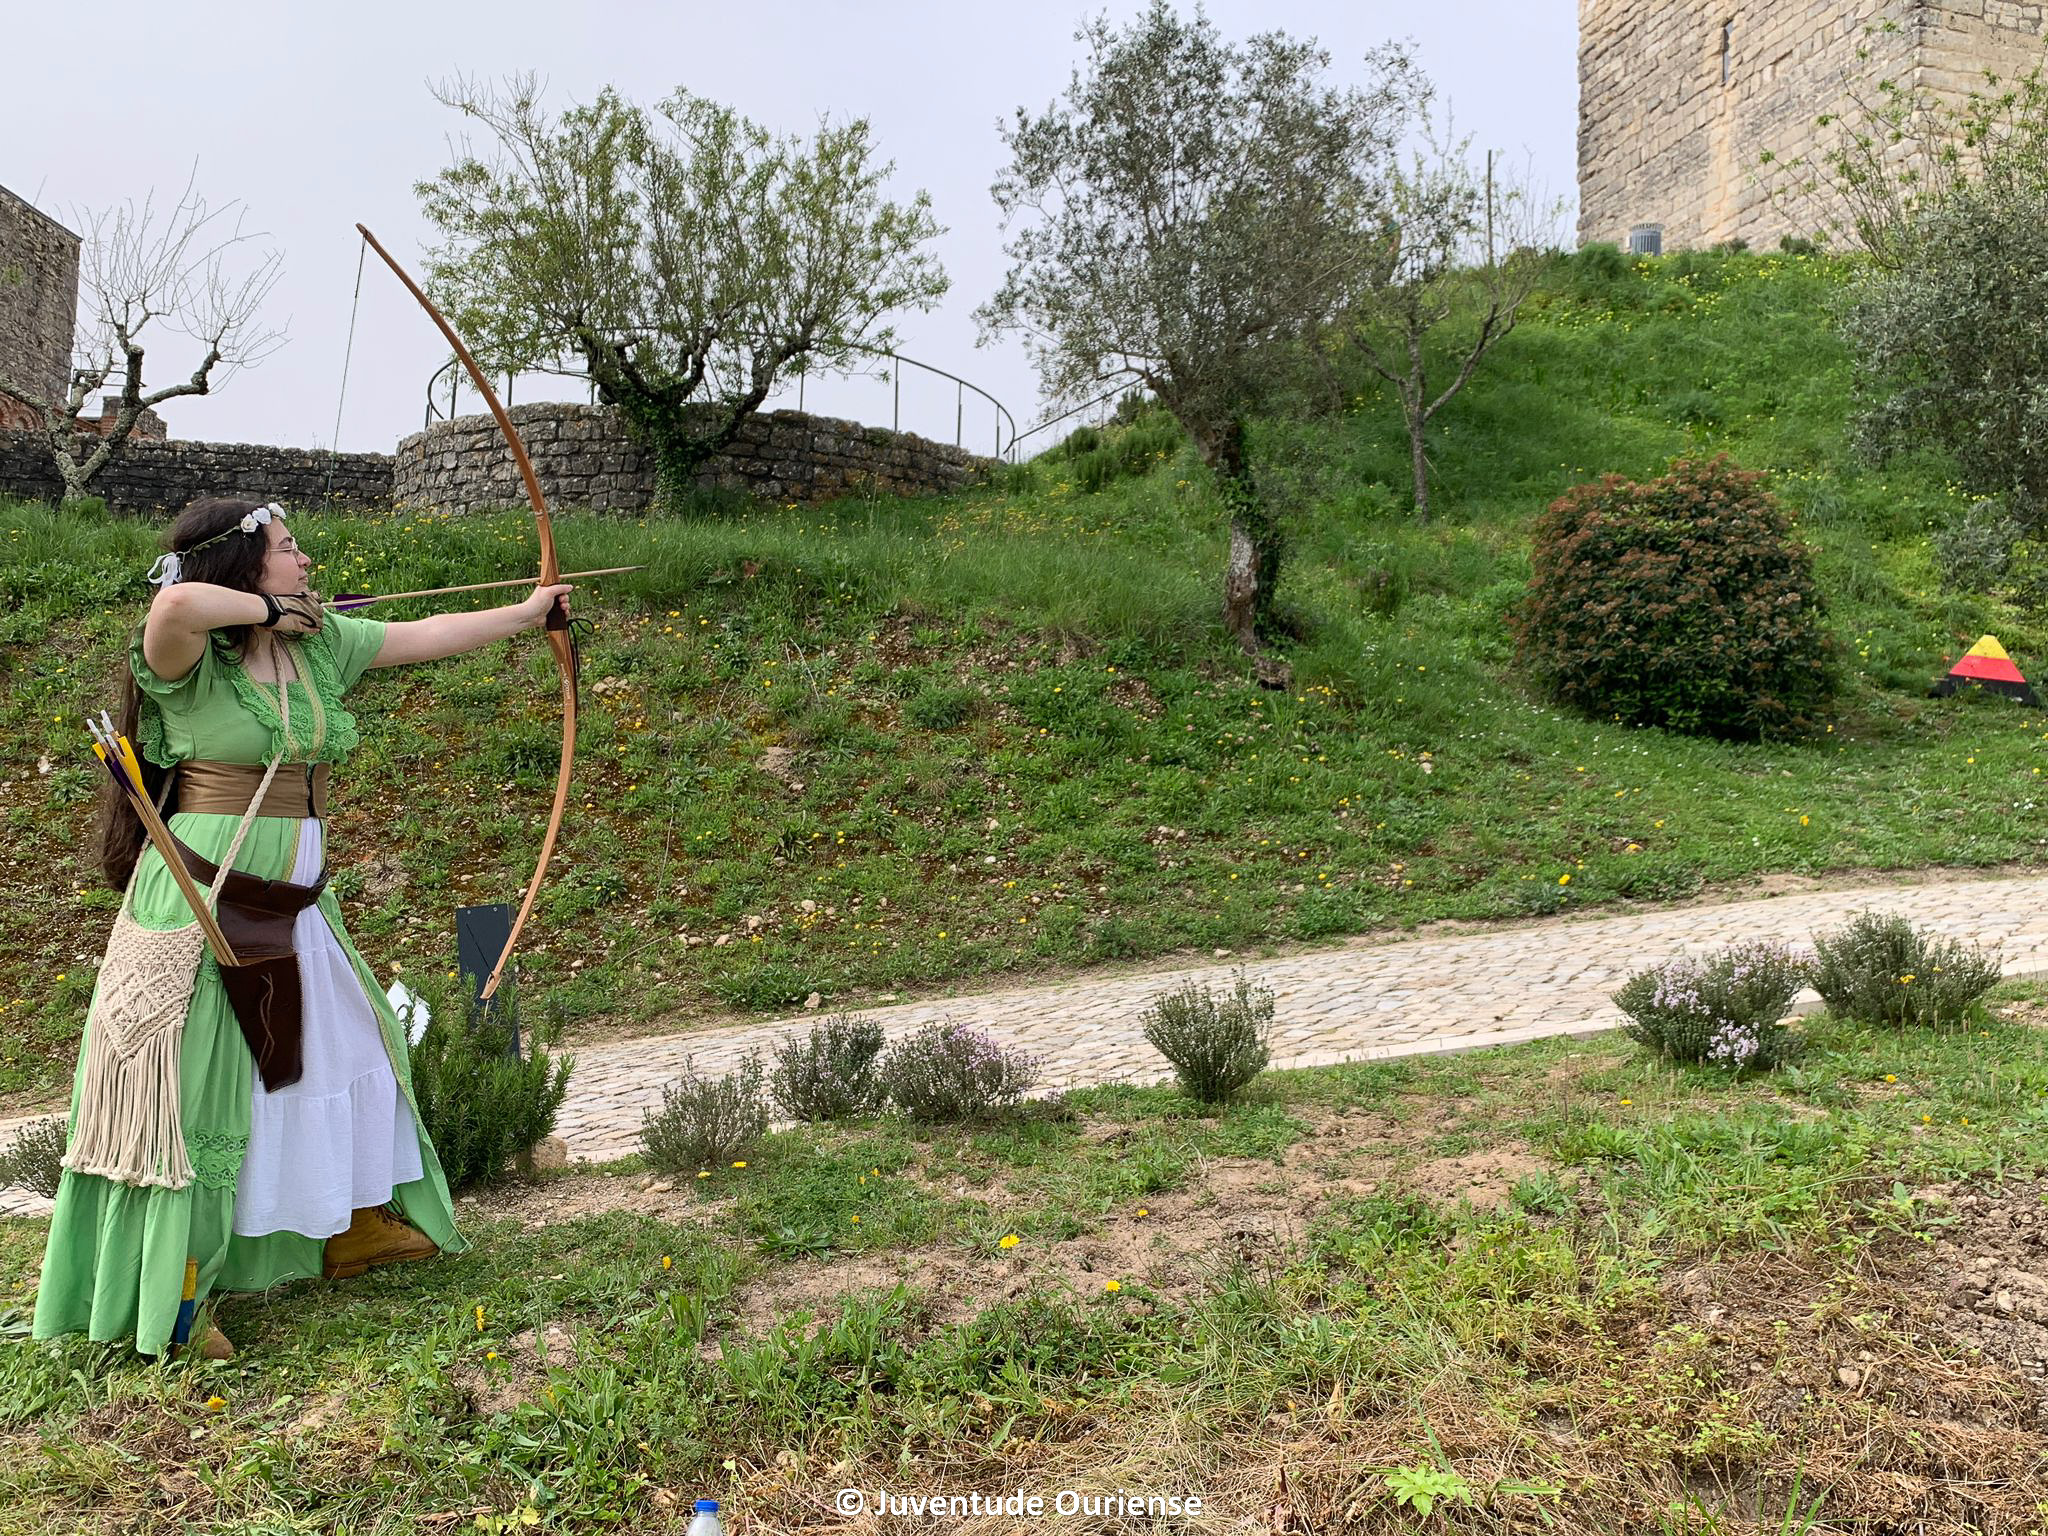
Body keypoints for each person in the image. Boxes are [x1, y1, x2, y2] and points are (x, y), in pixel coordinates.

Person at [33, 495, 573, 1359]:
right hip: (204, 896)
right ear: (246, 568)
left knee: (346, 1046)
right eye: (289, 551)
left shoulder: (320, 648)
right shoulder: (191, 660)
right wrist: (267, 611)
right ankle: (176, 1299)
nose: (306, 563)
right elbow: (173, 603)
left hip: (296, 898)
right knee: (200, 1093)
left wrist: (528, 612)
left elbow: (425, 632)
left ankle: (348, 1225)